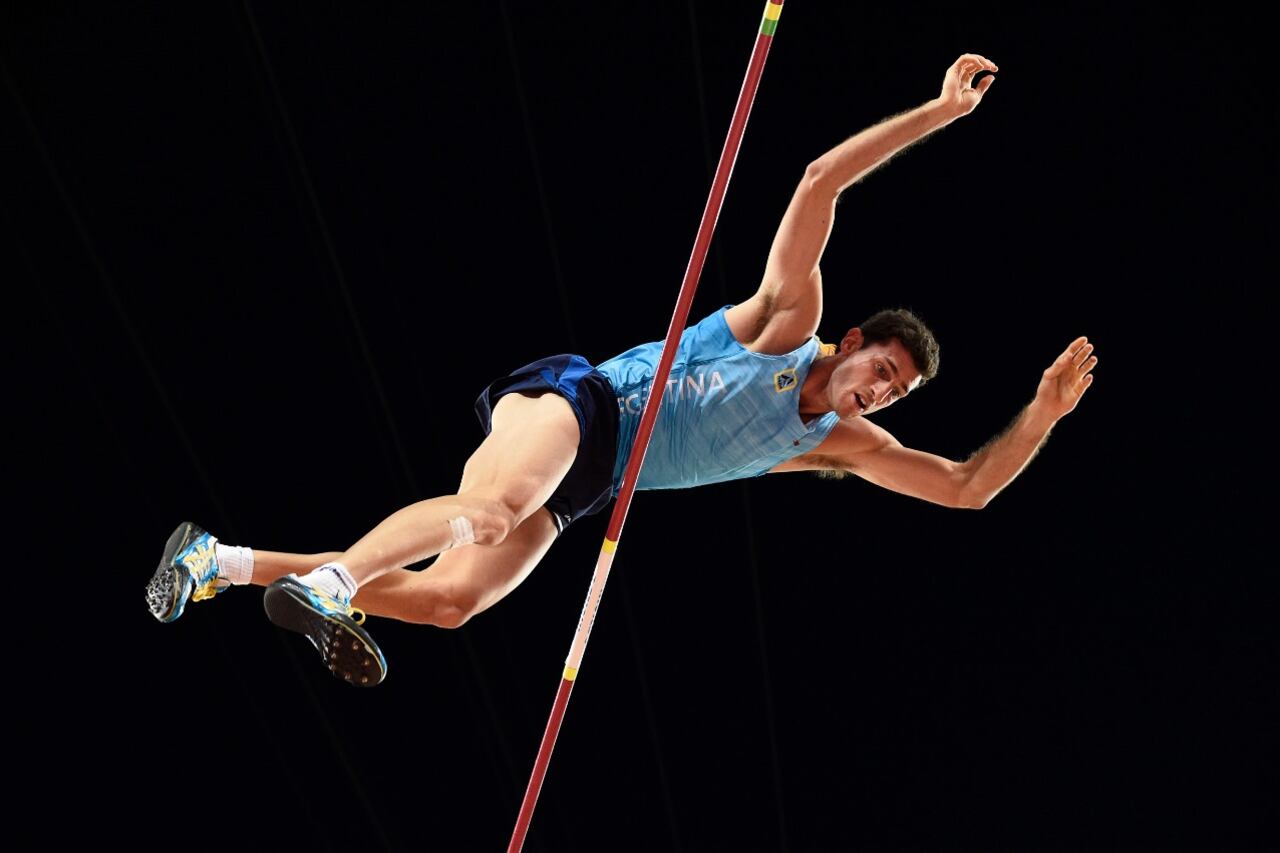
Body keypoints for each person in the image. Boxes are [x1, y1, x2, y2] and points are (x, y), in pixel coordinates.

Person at [146, 54, 1096, 687]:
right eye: (881, 369)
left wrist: (1044, 413)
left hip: (593, 483)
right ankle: (337, 580)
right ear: (851, 342)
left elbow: (967, 488)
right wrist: (938, 111)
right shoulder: (785, 323)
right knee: (488, 510)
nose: (881, 393)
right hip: (578, 404)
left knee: (448, 603)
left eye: (895, 393)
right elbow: (818, 183)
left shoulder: (837, 445)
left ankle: (217, 562)